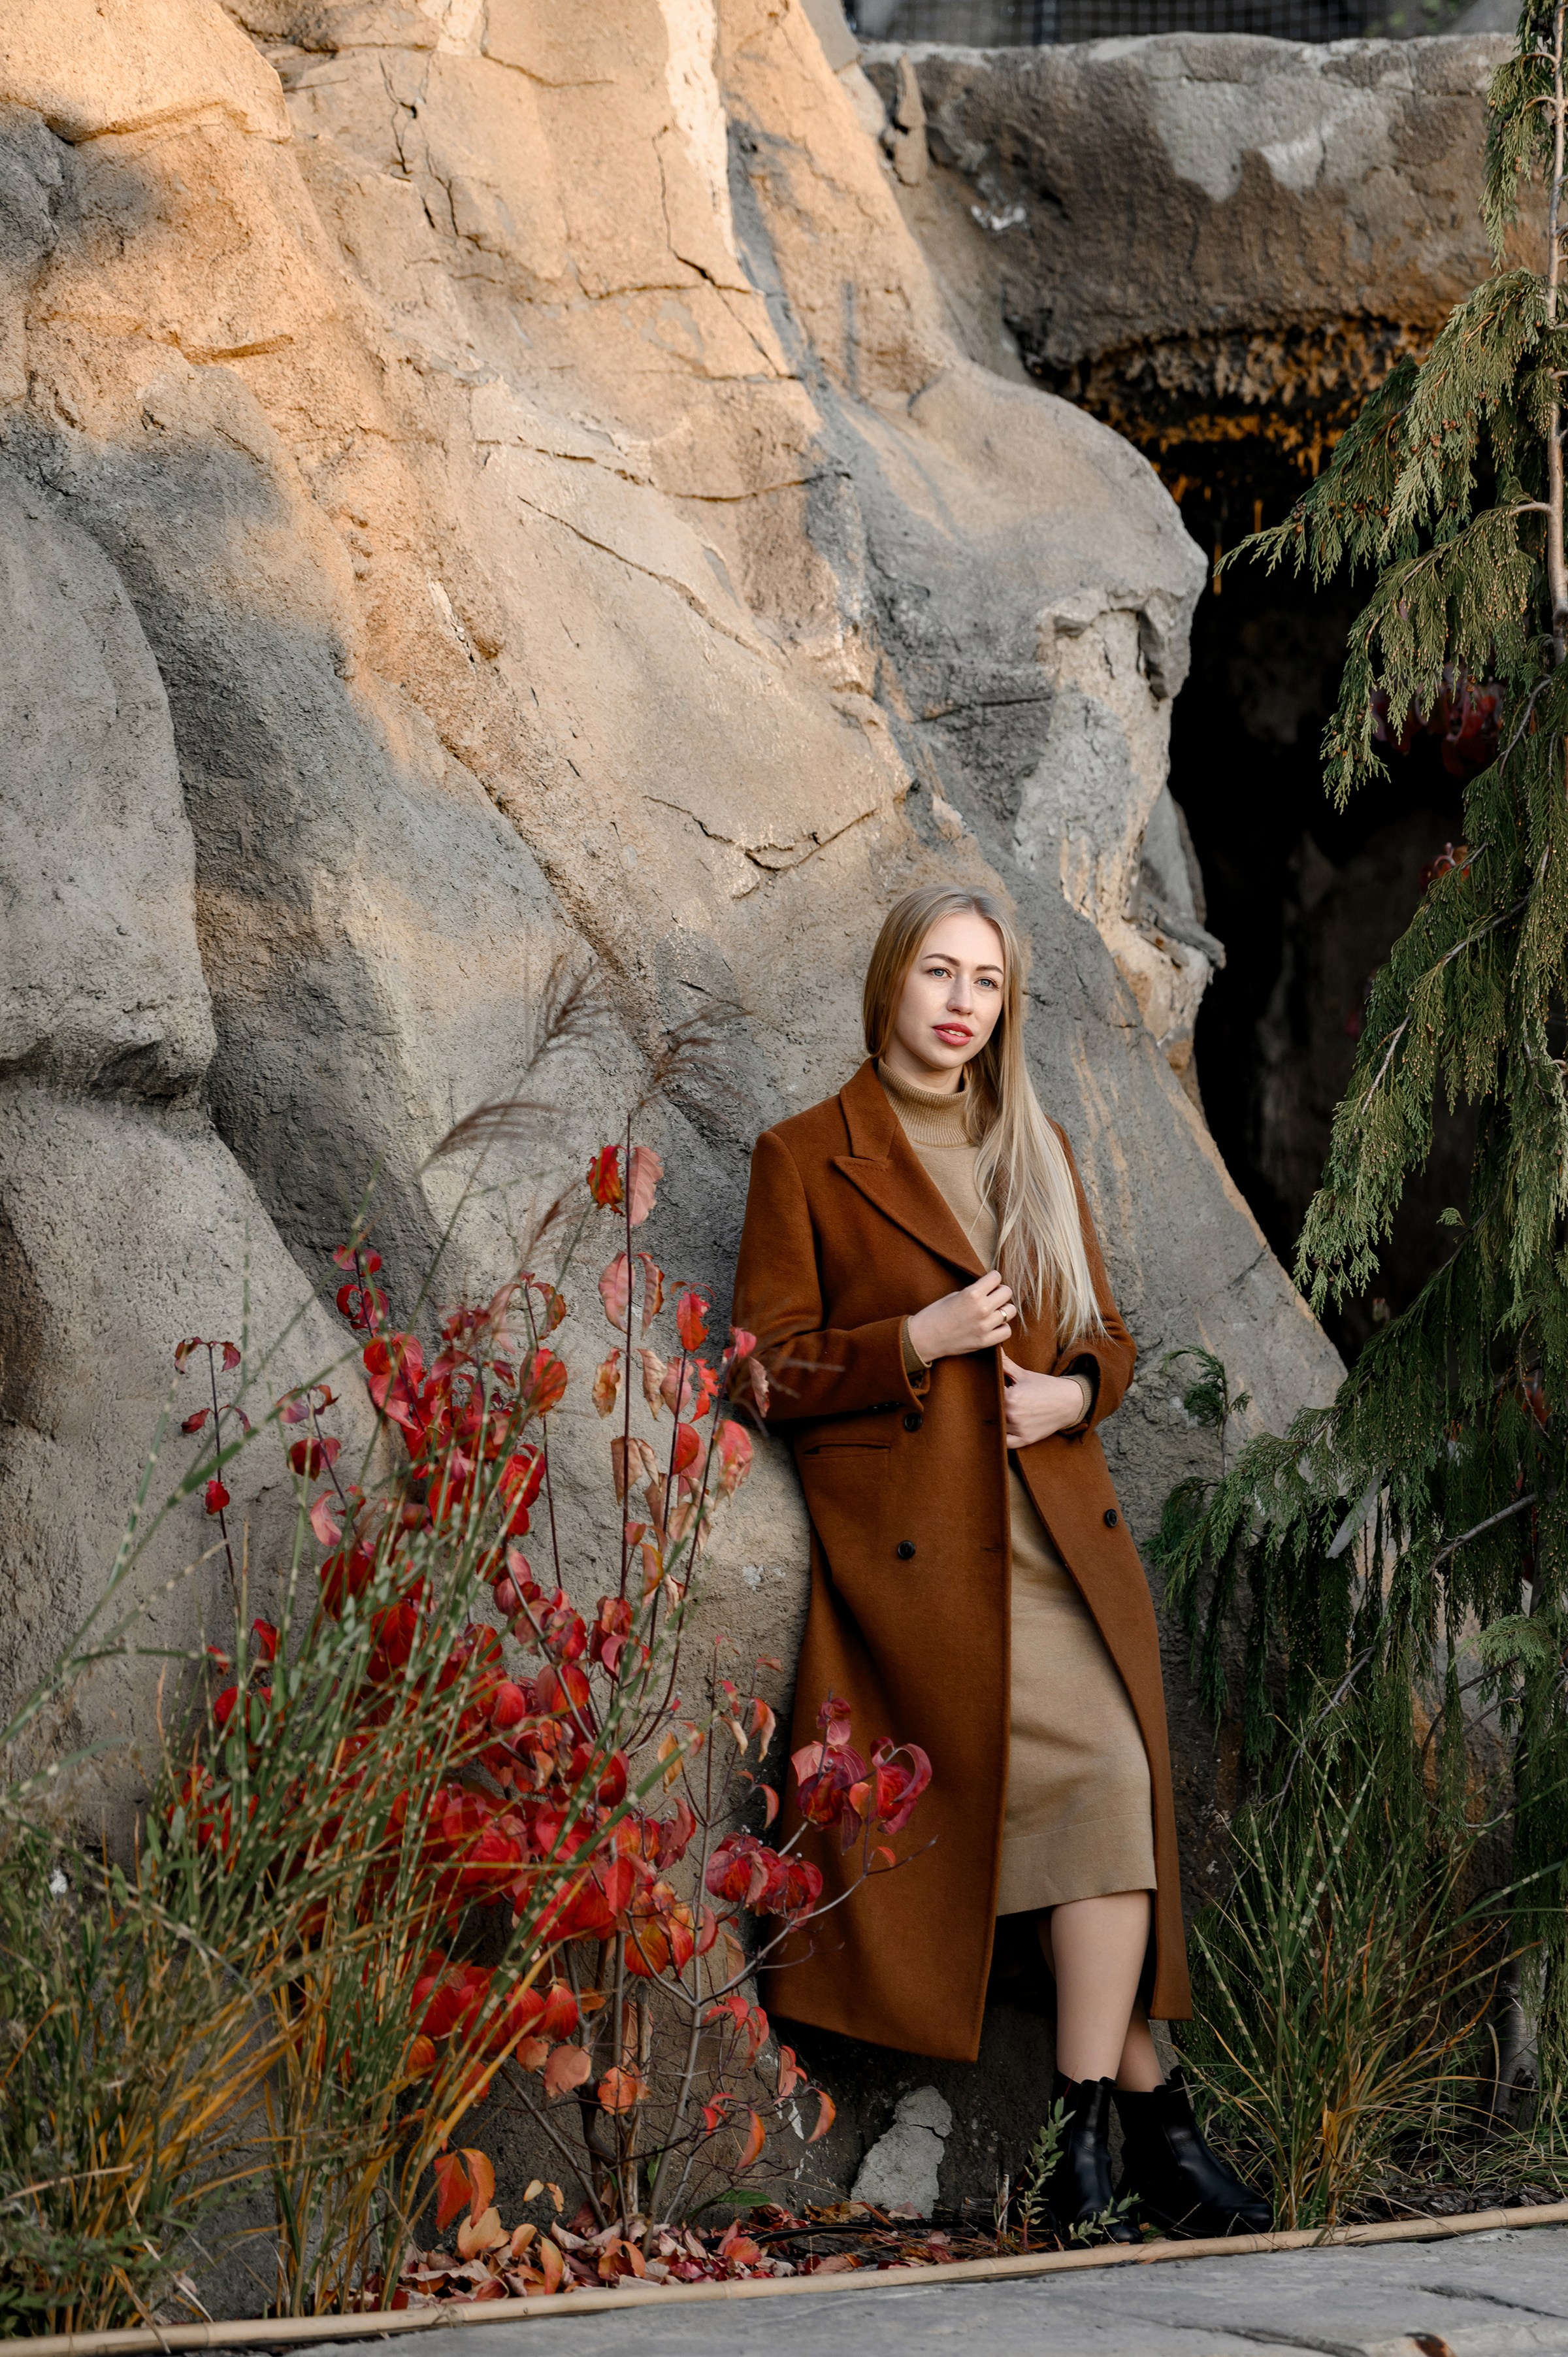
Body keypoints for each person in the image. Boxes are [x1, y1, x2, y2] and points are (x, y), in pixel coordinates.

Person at [731, 884, 1269, 2241]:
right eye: (939, 974)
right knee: (1054, 1809)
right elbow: (763, 1367)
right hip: (920, 1569)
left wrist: (1074, 1398)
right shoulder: (803, 1155)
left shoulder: (1034, 1141)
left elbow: (1109, 1334)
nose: (963, 1003)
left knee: (1109, 1782)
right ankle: (1146, 2128)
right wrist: (913, 1338)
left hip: (1054, 1541)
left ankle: (1085, 2133)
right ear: (889, 985)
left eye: (987, 982)